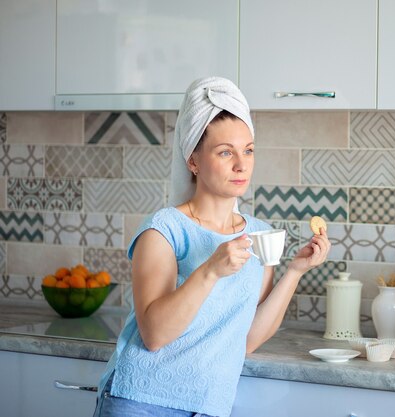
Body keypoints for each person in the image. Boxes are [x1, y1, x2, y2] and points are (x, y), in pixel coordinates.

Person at [92, 77, 331, 417]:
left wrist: (294, 271)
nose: (241, 164)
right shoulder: (163, 230)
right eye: (225, 152)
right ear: (193, 161)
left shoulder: (259, 235)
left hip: (208, 406)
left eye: (248, 150)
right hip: (142, 402)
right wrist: (210, 270)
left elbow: (246, 340)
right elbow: (154, 335)